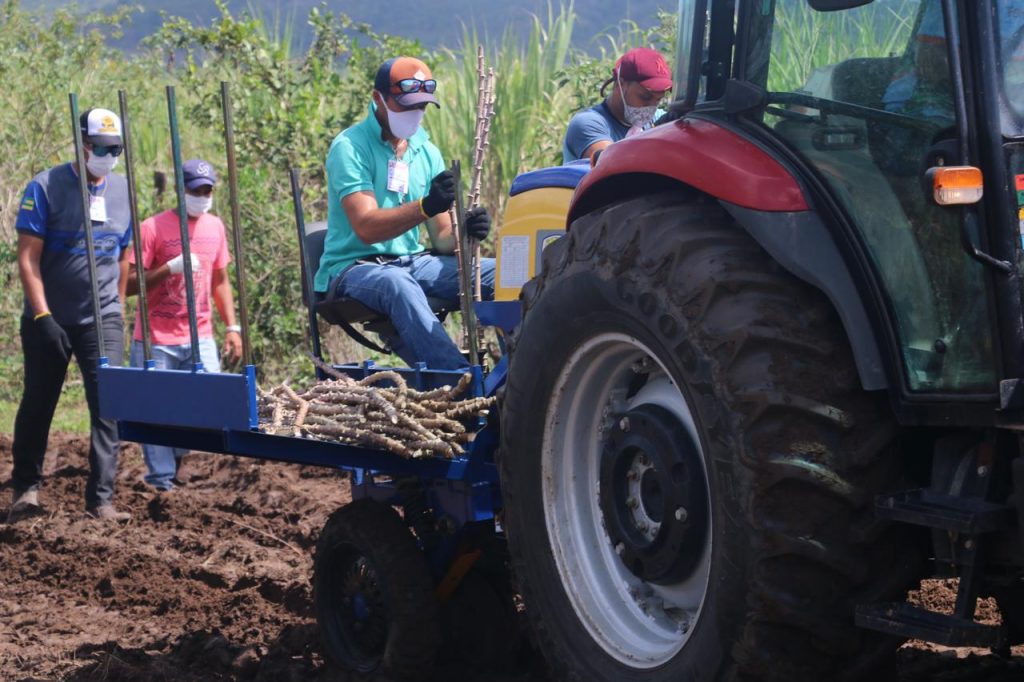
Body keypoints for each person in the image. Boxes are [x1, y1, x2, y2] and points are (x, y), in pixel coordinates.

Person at [314, 56, 495, 370]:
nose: (415, 114)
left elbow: (442, 238)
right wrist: (425, 206)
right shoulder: (350, 147)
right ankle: (460, 379)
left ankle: (519, 371)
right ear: (378, 99)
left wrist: (466, 229)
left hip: (412, 262)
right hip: (355, 267)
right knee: (397, 283)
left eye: (421, 106)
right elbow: (367, 228)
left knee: (498, 273)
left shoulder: (427, 152)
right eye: (406, 105)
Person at [9, 108, 133, 522]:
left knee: (109, 405)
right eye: (101, 148)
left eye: (116, 149)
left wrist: (117, 307)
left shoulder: (123, 191)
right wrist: (43, 316)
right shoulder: (46, 186)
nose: (108, 156)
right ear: (82, 144)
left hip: (103, 317)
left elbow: (124, 254)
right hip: (50, 317)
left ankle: (101, 499)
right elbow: (28, 258)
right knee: (38, 402)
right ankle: (26, 489)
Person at [126, 159, 242, 492]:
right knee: (154, 411)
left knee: (205, 408)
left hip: (200, 336)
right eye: (196, 190)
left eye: (207, 191)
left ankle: (176, 467)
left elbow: (220, 280)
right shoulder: (152, 228)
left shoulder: (215, 227)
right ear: (181, 190)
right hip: (156, 339)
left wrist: (232, 327)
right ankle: (161, 481)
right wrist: (169, 269)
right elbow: (129, 284)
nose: (202, 197)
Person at [562, 47, 673, 164]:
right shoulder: (588, 123)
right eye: (645, 97)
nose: (651, 107)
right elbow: (612, 165)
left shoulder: (658, 118)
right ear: (620, 85)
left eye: (658, 100)